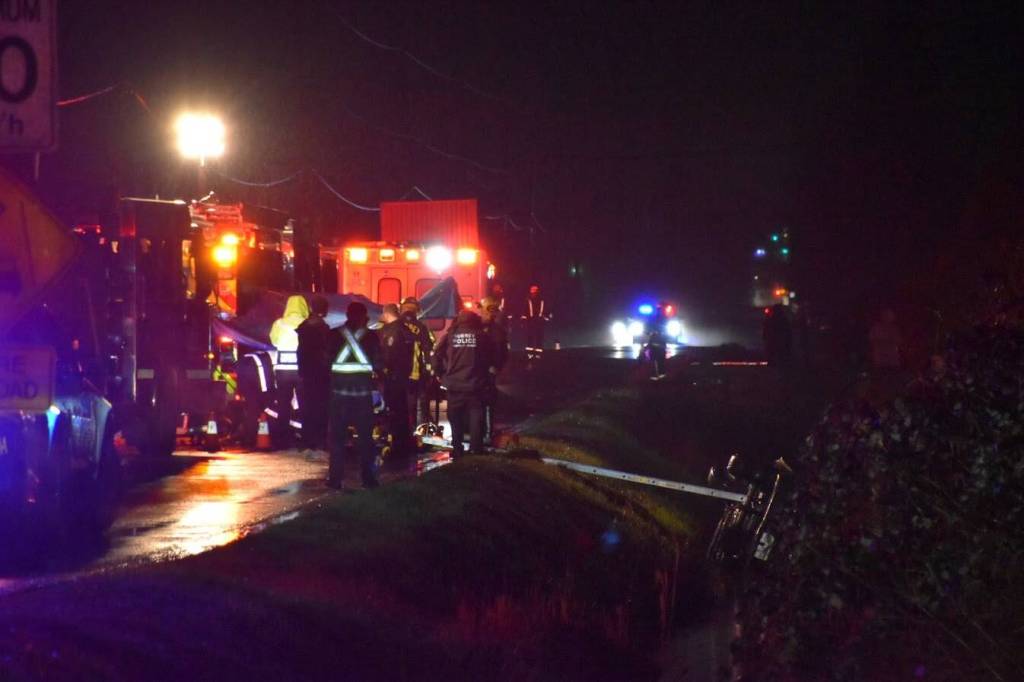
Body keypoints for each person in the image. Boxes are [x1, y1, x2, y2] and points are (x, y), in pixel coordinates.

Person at [326, 302, 381, 489]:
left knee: (337, 438)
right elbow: (379, 364)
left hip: (338, 394)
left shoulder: (333, 335)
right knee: (366, 438)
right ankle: (368, 479)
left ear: (347, 315)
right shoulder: (372, 337)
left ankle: (335, 479)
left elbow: (326, 362)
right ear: (364, 316)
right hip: (362, 395)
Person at [433, 309, 494, 458]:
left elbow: (436, 355)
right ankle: (476, 448)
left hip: (454, 384)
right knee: (476, 415)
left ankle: (457, 448)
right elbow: (491, 356)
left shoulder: (450, 336)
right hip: (475, 383)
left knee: (455, 417)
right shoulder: (482, 336)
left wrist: (440, 374)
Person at [268, 295, 309, 446]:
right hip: (301, 370)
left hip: (283, 371)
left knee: (283, 404)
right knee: (305, 404)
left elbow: (274, 341)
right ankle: (305, 437)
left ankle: (282, 438)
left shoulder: (279, 324)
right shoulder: (307, 323)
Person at [378, 303, 413, 467]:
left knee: (393, 412)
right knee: (402, 411)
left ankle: (396, 446)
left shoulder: (391, 331)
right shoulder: (406, 329)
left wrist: (382, 371)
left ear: (387, 314)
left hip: (392, 378)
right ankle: (404, 443)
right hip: (403, 376)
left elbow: (388, 355)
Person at [296, 295, 332, 455]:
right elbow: (325, 352)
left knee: (307, 407)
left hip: (306, 373)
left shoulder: (303, 326)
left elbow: (301, 352)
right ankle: (320, 440)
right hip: (321, 373)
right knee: (322, 407)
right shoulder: (322, 327)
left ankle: (307, 440)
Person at [399, 297, 436, 429]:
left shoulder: (392, 325)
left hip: (395, 374)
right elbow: (429, 349)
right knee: (415, 404)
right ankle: (416, 430)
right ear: (416, 311)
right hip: (415, 373)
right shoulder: (422, 328)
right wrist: (430, 370)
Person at [479, 297, 509, 443]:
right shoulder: (497, 330)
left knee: (486, 401)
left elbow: (502, 353)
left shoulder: (496, 331)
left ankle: (486, 433)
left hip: (485, 371)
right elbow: (504, 353)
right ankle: (484, 432)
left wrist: (496, 367)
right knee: (485, 401)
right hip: (484, 370)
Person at [522, 284, 550, 361]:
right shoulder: (528, 299)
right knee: (530, 337)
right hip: (530, 321)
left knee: (539, 337)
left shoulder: (542, 299)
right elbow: (524, 310)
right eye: (532, 290)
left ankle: (538, 354)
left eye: (535, 290)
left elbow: (546, 308)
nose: (534, 291)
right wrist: (524, 320)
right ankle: (529, 354)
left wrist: (547, 316)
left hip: (539, 321)